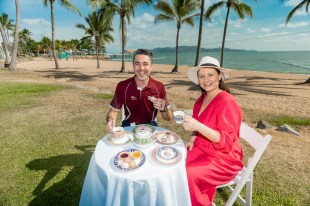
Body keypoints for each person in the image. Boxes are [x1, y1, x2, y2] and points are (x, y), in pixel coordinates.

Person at [183, 56, 243, 206]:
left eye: (211, 74)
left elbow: (227, 142)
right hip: (202, 148)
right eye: (202, 76)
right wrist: (192, 139)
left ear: (220, 76)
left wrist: (197, 126)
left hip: (224, 159)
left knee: (188, 174)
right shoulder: (201, 99)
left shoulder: (226, 101)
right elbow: (198, 127)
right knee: (175, 164)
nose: (206, 79)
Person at [106, 48, 172, 133]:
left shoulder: (159, 87)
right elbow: (114, 111)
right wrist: (110, 120)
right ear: (133, 65)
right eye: (137, 64)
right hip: (128, 127)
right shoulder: (123, 86)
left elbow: (168, 118)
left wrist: (164, 108)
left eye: (145, 64)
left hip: (151, 127)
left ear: (151, 66)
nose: (141, 68)